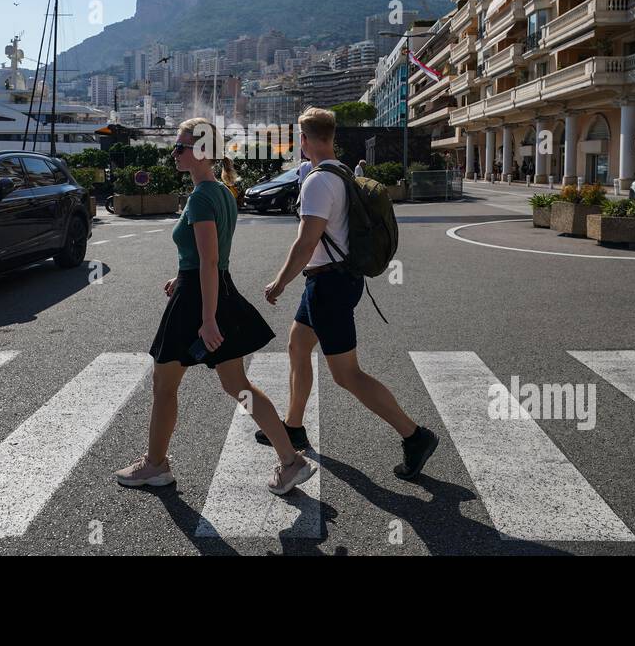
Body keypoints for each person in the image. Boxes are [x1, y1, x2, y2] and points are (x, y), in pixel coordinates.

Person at [116, 118, 317, 495]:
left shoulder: (202, 197)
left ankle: (156, 465)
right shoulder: (223, 192)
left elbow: (209, 260)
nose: (175, 153)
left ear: (203, 151)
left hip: (200, 298)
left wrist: (206, 319)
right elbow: (209, 255)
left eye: (181, 147)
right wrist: (181, 275)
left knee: (164, 383)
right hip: (214, 289)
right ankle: (291, 461)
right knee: (237, 385)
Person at [261, 107, 439, 480]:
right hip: (330, 281)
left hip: (330, 285)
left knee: (347, 375)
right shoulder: (340, 172)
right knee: (298, 345)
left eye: (299, 139)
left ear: (305, 140)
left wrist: (279, 281)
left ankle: (414, 435)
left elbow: (307, 241)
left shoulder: (317, 181)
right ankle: (293, 425)